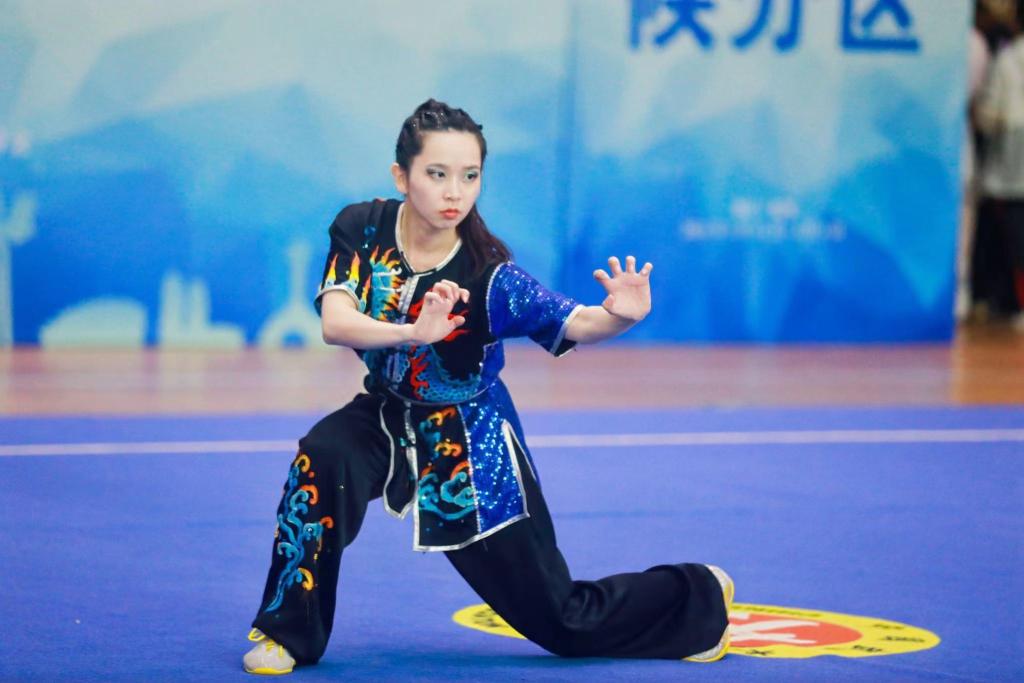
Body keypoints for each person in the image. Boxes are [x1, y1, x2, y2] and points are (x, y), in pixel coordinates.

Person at [243, 99, 733, 675]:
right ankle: (287, 631)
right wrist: (413, 333)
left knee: (563, 620)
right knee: (324, 456)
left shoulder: (489, 275)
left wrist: (620, 317)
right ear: (402, 176)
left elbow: (575, 321)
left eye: (470, 176)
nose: (454, 192)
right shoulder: (363, 227)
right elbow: (336, 322)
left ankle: (694, 593)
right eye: (437, 174)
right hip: (387, 412)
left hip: (470, 443)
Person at [974, 0, 1024, 328]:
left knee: (1014, 240)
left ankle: (1010, 302)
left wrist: (984, 119)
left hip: (1011, 166)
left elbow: (989, 115)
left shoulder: (1008, 59)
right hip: (1012, 165)